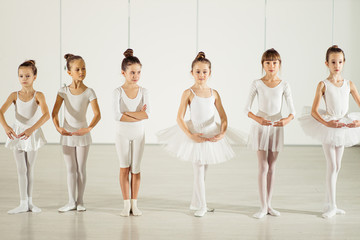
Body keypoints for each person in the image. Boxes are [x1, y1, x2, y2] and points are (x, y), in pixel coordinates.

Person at [158, 52, 239, 217]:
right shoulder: (188, 93)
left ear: (210, 73)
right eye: (198, 71)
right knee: (199, 169)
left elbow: (223, 116)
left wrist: (223, 132)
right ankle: (202, 205)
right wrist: (190, 135)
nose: (201, 75)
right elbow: (179, 118)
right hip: (196, 134)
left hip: (211, 133)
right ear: (192, 73)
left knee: (203, 169)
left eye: (204, 71)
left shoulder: (214, 93)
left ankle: (196, 203)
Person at [298, 45, 360, 218]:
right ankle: (331, 205)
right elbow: (314, 111)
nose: (337, 65)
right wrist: (328, 124)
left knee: (337, 166)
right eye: (333, 62)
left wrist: (357, 122)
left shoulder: (349, 84)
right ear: (326, 63)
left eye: (340, 62)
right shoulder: (323, 84)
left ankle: (331, 204)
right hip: (329, 126)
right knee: (332, 166)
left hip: (344, 125)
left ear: (344, 62)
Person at [245, 48, 295, 219]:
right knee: (263, 166)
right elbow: (246, 109)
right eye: (268, 62)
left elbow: (292, 112)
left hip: (276, 126)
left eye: (275, 62)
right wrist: (258, 119)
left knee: (272, 166)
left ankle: (269, 205)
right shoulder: (257, 83)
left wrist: (285, 120)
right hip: (261, 126)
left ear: (279, 64)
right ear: (263, 65)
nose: (271, 65)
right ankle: (262, 206)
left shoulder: (284, 84)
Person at [52, 54, 101, 212]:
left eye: (83, 68)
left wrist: (87, 129)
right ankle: (71, 201)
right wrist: (59, 128)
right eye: (77, 69)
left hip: (82, 134)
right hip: (67, 134)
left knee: (81, 168)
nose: (81, 71)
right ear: (69, 72)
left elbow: (97, 114)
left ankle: (80, 201)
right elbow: (54, 113)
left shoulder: (89, 92)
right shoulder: (63, 91)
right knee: (70, 168)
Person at [0, 60, 49, 214]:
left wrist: (31, 130)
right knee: (21, 169)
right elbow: (0, 111)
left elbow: (46, 115)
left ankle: (30, 202)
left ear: (35, 76)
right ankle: (22, 203)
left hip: (31, 134)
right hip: (17, 134)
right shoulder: (14, 95)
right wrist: (6, 126)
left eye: (27, 75)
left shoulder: (38, 95)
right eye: (21, 75)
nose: (24, 78)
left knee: (29, 168)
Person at [113, 49, 149, 217]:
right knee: (124, 167)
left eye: (138, 72)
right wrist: (137, 115)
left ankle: (135, 204)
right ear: (123, 72)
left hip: (139, 134)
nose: (136, 76)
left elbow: (146, 114)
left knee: (136, 168)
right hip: (122, 134)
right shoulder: (117, 92)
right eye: (132, 72)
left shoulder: (144, 91)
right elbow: (116, 116)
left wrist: (127, 114)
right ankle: (126, 204)